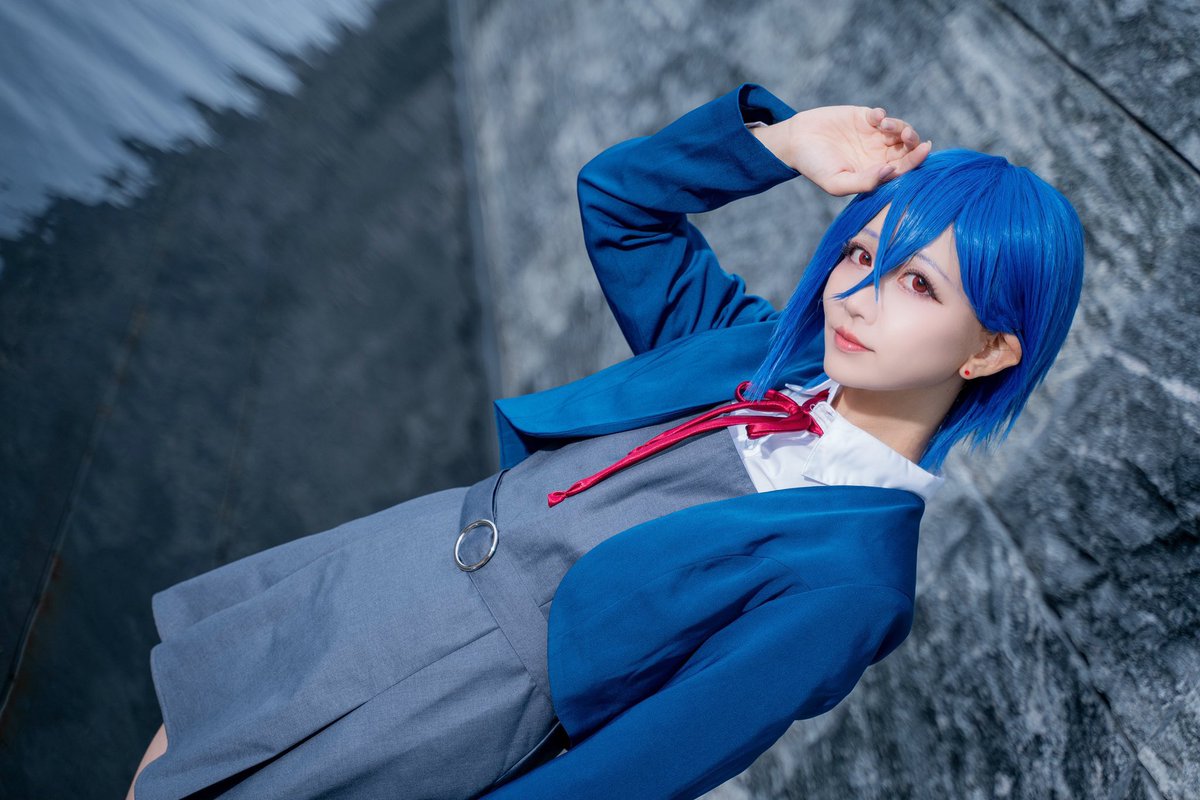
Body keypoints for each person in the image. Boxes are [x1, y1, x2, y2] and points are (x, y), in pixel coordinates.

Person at [127, 82, 1084, 800]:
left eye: (918, 284)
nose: (859, 294)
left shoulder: (854, 582)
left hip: (459, 702)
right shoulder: (752, 354)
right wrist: (782, 143)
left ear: (990, 350)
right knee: (182, 735)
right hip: (411, 556)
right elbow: (622, 205)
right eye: (862, 253)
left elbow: (630, 774)